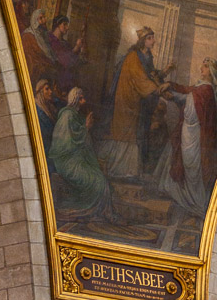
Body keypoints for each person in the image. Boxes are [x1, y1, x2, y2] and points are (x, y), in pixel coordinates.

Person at [98, 27, 171, 178]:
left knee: (136, 133)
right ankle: (121, 170)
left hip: (137, 100)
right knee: (125, 132)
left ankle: (130, 171)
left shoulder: (147, 57)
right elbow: (141, 79)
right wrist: (159, 91)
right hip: (127, 99)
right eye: (150, 38)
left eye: (153, 38)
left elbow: (151, 76)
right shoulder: (133, 57)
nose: (153, 41)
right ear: (143, 41)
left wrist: (164, 72)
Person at [154, 57, 217, 216]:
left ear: (211, 71)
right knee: (182, 160)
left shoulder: (207, 90)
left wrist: (172, 93)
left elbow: (189, 97)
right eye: (202, 66)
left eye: (205, 67)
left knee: (193, 165)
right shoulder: (199, 87)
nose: (201, 69)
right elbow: (187, 94)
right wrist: (171, 90)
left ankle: (195, 199)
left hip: (196, 134)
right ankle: (179, 192)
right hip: (186, 130)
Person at [50, 87, 113, 220]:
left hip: (76, 159)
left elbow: (80, 139)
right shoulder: (67, 115)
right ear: (74, 100)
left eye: (83, 98)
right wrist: (86, 128)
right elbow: (67, 141)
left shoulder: (75, 115)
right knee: (98, 181)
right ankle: (86, 210)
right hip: (66, 161)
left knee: (100, 178)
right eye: (81, 98)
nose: (84, 101)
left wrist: (86, 128)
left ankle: (99, 212)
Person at [48, 14, 87, 95]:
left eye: (67, 25)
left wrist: (81, 50)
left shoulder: (65, 43)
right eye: (64, 24)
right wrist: (76, 47)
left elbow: (73, 60)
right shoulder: (50, 40)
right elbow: (64, 60)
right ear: (57, 25)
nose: (67, 27)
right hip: (56, 76)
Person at [22, 8, 57, 89]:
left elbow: (49, 52)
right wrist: (47, 63)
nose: (44, 20)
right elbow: (32, 56)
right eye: (41, 18)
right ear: (34, 21)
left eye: (44, 17)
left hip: (44, 63)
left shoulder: (43, 35)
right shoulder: (28, 36)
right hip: (35, 67)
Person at [35, 79, 58, 175]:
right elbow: (46, 135)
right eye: (47, 89)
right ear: (40, 92)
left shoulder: (48, 106)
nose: (50, 92)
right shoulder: (39, 111)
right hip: (46, 151)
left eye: (50, 89)